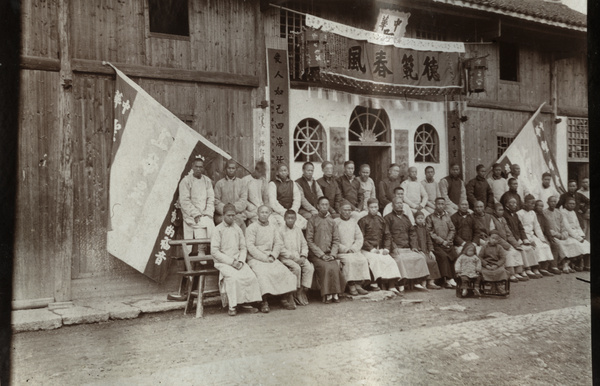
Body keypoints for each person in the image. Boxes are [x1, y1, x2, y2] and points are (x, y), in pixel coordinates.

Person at [210, 204, 262, 316]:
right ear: (223, 215)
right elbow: (214, 251)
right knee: (233, 278)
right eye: (229, 215)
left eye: (233, 215)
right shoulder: (217, 230)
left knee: (250, 276)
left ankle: (246, 303)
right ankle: (232, 306)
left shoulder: (237, 228)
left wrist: (241, 261)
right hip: (223, 262)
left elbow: (243, 247)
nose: (231, 218)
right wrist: (231, 262)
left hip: (238, 261)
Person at [245, 205, 298, 313]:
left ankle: (284, 298)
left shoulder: (273, 227)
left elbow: (278, 243)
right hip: (256, 258)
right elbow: (250, 247)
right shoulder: (251, 228)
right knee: (262, 274)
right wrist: (264, 258)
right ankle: (264, 301)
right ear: (258, 213)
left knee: (283, 271)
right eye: (262, 212)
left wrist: (273, 255)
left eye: (266, 212)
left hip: (271, 256)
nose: (264, 214)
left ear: (270, 214)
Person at [384, 198, 432, 292]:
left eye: (401, 203)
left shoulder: (406, 218)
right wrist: (393, 247)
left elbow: (412, 233)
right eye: (397, 203)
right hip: (396, 248)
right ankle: (401, 283)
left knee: (419, 257)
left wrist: (414, 246)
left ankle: (417, 282)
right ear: (392, 205)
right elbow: (387, 234)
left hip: (407, 248)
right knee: (400, 259)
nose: (399, 205)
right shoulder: (388, 218)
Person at [306, 196, 347, 304]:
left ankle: (335, 293)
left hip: (329, 253)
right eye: (322, 205)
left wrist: (333, 254)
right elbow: (309, 240)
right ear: (318, 206)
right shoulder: (312, 220)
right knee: (326, 267)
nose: (324, 207)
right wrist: (321, 255)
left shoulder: (332, 222)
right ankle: (327, 295)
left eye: (326, 205)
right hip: (316, 255)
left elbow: (336, 240)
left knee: (334, 266)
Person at [358, 198, 402, 293]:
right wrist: (371, 249)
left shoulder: (381, 220)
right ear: (367, 208)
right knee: (375, 260)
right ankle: (374, 283)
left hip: (380, 248)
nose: (374, 209)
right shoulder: (363, 221)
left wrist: (386, 248)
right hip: (367, 249)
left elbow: (387, 235)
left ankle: (391, 285)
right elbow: (361, 238)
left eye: (376, 207)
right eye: (372, 207)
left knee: (389, 260)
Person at [334, 201, 371, 296]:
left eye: (349, 210)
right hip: (342, 252)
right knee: (350, 261)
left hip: (354, 250)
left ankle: (358, 284)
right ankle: (351, 285)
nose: (347, 212)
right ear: (340, 211)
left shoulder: (354, 222)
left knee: (362, 259)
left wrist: (354, 248)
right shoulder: (335, 223)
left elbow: (359, 237)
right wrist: (345, 249)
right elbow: (334, 240)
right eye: (345, 210)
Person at [278, 210, 315, 306]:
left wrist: (303, 255)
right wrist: (294, 258)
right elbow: (280, 248)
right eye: (288, 218)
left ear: (295, 219)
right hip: (286, 257)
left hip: (299, 256)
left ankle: (301, 291)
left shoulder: (298, 230)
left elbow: (304, 244)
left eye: (292, 218)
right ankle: (293, 291)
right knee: (296, 268)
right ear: (284, 218)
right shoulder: (280, 230)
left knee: (309, 268)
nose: (290, 220)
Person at [178, 157, 215, 252]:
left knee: (208, 224)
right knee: (203, 225)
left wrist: (208, 212)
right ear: (192, 167)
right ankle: (205, 251)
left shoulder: (207, 181)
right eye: (196, 167)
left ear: (203, 168)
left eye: (201, 167)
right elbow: (184, 200)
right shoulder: (186, 181)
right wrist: (195, 213)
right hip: (191, 215)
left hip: (205, 214)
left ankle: (206, 251)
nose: (199, 169)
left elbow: (211, 198)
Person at [544, 196, 586, 273]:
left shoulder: (558, 212)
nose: (553, 203)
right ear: (547, 203)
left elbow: (563, 225)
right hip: (551, 235)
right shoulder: (545, 213)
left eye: (555, 202)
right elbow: (547, 228)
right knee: (559, 244)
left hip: (561, 235)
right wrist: (557, 235)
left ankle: (567, 264)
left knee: (570, 242)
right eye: (551, 201)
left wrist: (564, 234)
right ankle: (561, 265)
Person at [517, 195, 555, 276]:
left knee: (545, 246)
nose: (533, 205)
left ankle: (543, 268)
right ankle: (533, 268)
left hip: (531, 234)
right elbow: (520, 229)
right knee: (535, 248)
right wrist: (528, 241)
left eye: (534, 204)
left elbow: (537, 227)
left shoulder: (532, 213)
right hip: (524, 236)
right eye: (531, 203)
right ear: (525, 203)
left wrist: (542, 239)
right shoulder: (519, 213)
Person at [426, 197, 458, 288]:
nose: (440, 206)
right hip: (436, 245)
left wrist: (448, 240)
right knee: (443, 257)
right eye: (438, 204)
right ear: (435, 205)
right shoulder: (430, 217)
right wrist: (441, 241)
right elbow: (430, 232)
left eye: (442, 204)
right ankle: (446, 280)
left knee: (454, 255)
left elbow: (452, 229)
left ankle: (453, 279)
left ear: (445, 205)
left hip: (447, 243)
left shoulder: (447, 217)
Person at [490, 202, 527, 283]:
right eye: (499, 210)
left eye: (502, 210)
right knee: (509, 253)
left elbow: (509, 233)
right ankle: (510, 273)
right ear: (494, 211)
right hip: (497, 243)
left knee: (517, 250)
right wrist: (507, 245)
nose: (501, 212)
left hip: (505, 242)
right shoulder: (492, 219)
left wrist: (516, 244)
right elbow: (494, 235)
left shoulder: (503, 219)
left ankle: (518, 272)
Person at [503, 197, 539, 279]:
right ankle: (524, 269)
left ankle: (531, 268)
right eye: (513, 203)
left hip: (518, 238)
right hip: (511, 239)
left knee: (529, 248)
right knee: (522, 249)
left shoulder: (515, 214)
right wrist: (518, 240)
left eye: (516, 203)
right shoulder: (505, 215)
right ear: (507, 204)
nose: (515, 205)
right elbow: (509, 231)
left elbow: (521, 228)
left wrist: (525, 239)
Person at [268, 164, 307, 230]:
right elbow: (273, 202)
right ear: (277, 172)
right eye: (281, 171)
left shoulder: (292, 183)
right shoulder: (272, 184)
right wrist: (284, 212)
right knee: (283, 224)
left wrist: (293, 210)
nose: (283, 172)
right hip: (278, 212)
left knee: (303, 223)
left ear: (288, 172)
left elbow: (297, 199)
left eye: (285, 170)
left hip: (291, 211)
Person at [214, 160, 248, 231]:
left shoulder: (242, 183)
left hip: (237, 214)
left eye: (233, 168)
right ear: (225, 169)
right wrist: (226, 211)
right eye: (229, 168)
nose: (231, 170)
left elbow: (243, 200)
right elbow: (216, 201)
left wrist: (233, 210)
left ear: (236, 169)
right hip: (223, 215)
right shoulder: (219, 183)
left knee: (239, 226)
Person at [413, 211, 442, 289]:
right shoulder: (413, 228)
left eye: (422, 218)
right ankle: (423, 282)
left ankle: (431, 282)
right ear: (415, 219)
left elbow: (429, 240)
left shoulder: (425, 229)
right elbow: (414, 240)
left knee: (432, 261)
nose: (420, 220)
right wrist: (419, 250)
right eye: (418, 218)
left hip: (426, 251)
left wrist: (431, 251)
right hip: (418, 251)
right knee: (424, 261)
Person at [560, 196, 591, 272]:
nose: (572, 205)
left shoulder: (573, 212)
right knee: (575, 244)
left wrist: (581, 235)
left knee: (587, 244)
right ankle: (567, 264)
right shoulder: (563, 212)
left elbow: (577, 225)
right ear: (566, 204)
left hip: (576, 234)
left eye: (573, 204)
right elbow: (567, 227)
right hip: (567, 234)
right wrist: (578, 237)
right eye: (570, 203)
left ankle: (586, 265)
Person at [535, 198, 564, 275]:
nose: (541, 208)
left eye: (542, 206)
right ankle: (543, 267)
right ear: (535, 206)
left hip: (543, 235)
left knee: (555, 244)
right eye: (539, 206)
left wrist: (550, 237)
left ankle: (553, 266)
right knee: (547, 245)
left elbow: (547, 227)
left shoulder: (542, 215)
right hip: (536, 236)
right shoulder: (534, 215)